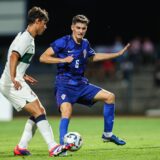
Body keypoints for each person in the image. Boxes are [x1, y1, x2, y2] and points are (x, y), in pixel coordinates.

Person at [39, 15, 130, 155]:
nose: (80, 31)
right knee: (67, 112)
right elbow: (43, 57)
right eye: (78, 28)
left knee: (110, 97)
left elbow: (93, 57)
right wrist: (62, 59)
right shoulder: (63, 42)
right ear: (72, 27)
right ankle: (62, 148)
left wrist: (116, 54)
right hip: (64, 84)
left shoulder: (85, 43)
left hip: (81, 84)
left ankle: (107, 134)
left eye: (83, 28)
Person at [0, 6, 73, 157]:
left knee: (39, 111)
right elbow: (13, 56)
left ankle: (21, 147)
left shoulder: (27, 37)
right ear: (37, 21)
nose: (45, 27)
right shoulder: (26, 38)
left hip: (15, 80)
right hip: (11, 83)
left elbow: (17, 58)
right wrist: (14, 77)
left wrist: (22, 74)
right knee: (39, 111)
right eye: (44, 23)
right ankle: (53, 147)